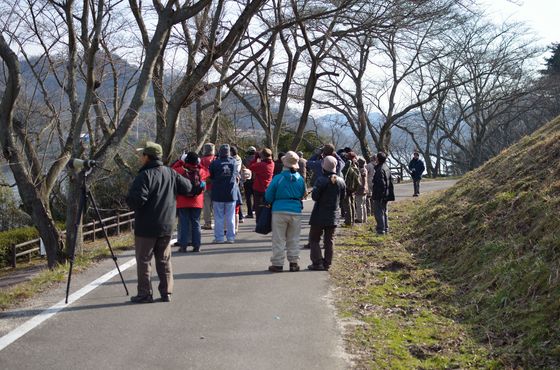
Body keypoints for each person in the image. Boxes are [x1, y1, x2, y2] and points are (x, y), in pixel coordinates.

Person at [126, 141, 192, 303]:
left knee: (144, 260)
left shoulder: (144, 175)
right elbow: (188, 187)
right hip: (167, 224)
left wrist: (129, 198)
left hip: (147, 226)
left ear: (148, 157)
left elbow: (137, 200)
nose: (140, 158)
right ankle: (166, 292)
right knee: (163, 260)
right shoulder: (170, 172)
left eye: (142, 155)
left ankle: (144, 293)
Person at [265, 151, 306, 272]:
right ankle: (294, 262)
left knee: (279, 238)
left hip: (279, 209)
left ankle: (278, 263)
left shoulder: (278, 178)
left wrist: (270, 201)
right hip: (296, 210)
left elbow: (268, 195)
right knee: (293, 238)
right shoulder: (300, 179)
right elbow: (303, 194)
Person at [307, 156, 346, 271]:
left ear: (323, 167)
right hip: (333, 215)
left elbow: (315, 197)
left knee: (314, 239)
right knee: (329, 240)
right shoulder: (341, 181)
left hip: (319, 214)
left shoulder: (320, 180)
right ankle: (327, 263)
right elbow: (342, 197)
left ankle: (317, 262)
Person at [171, 151, 207, 253]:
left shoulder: (179, 170)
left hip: (182, 200)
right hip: (197, 201)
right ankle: (197, 246)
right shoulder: (200, 171)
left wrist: (180, 161)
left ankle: (183, 246)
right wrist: (198, 164)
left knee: (184, 223)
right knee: (196, 223)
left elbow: (172, 169)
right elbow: (206, 172)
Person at [209, 144, 240, 244]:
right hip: (231, 193)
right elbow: (236, 175)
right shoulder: (234, 162)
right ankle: (231, 237)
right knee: (230, 217)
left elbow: (212, 176)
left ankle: (219, 238)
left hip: (218, 193)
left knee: (219, 217)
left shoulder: (215, 163)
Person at [249, 147, 274, 221]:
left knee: (258, 208)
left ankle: (259, 223)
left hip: (259, 188)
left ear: (263, 156)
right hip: (268, 188)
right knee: (266, 207)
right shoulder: (272, 164)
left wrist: (256, 158)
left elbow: (251, 166)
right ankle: (267, 222)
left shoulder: (261, 165)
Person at [371, 152, 391, 235]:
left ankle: (380, 230)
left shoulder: (379, 170)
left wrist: (379, 194)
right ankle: (385, 228)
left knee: (378, 212)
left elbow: (381, 183)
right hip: (386, 193)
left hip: (380, 195)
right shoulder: (386, 167)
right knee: (384, 212)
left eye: (376, 158)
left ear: (378, 159)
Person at [341, 152, 360, 226]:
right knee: (352, 203)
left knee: (347, 204)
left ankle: (348, 222)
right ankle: (352, 221)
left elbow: (344, 173)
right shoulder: (356, 164)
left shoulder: (348, 163)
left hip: (348, 186)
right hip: (353, 187)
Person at [200, 143, 216, 230]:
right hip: (215, 185)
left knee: (206, 205)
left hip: (205, 184)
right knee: (215, 205)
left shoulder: (202, 160)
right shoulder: (215, 158)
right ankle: (217, 221)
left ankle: (207, 223)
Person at [242, 146, 257, 218]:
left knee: (248, 197)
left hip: (247, 180)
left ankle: (250, 213)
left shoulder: (245, 159)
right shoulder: (258, 160)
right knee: (255, 196)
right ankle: (256, 210)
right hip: (255, 180)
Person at [355, 156, 369, 223]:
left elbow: (360, 180)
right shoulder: (365, 169)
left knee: (359, 204)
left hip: (360, 189)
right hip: (365, 188)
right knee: (364, 204)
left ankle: (360, 218)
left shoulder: (360, 171)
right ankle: (365, 218)